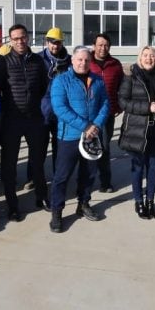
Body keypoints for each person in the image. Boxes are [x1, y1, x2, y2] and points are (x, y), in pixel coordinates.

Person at [0, 24, 50, 221]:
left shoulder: (38, 62)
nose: (20, 41)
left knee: (38, 161)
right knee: (9, 164)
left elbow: (44, 88)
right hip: (11, 120)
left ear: (28, 37)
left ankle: (41, 196)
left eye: (23, 37)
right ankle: (12, 204)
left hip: (34, 119)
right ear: (10, 40)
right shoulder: (3, 62)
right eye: (15, 38)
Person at [48, 46, 109, 233]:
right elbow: (60, 108)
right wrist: (85, 126)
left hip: (92, 136)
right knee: (62, 177)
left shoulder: (98, 81)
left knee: (88, 174)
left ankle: (83, 204)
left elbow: (105, 104)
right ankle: (57, 212)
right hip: (69, 137)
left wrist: (96, 125)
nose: (83, 63)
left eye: (86, 60)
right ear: (72, 61)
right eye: (79, 60)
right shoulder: (61, 81)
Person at [118, 46, 155, 219]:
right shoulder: (131, 76)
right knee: (138, 168)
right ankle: (138, 202)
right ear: (139, 58)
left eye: (152, 55)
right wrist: (147, 108)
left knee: (154, 167)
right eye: (145, 55)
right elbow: (123, 102)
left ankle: (150, 201)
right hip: (137, 129)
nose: (148, 58)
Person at [89, 33, 124, 193]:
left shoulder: (115, 64)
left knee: (104, 147)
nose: (103, 48)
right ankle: (86, 183)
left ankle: (105, 182)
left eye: (106, 45)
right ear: (94, 46)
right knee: (87, 147)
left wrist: (119, 105)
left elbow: (122, 87)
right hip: (88, 114)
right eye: (100, 44)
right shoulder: (86, 61)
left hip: (108, 113)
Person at [38, 27, 71, 178]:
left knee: (60, 147)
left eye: (58, 43)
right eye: (52, 42)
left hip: (61, 113)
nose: (55, 46)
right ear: (46, 42)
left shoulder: (69, 62)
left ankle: (58, 175)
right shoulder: (38, 59)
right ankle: (34, 177)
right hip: (42, 111)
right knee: (39, 147)